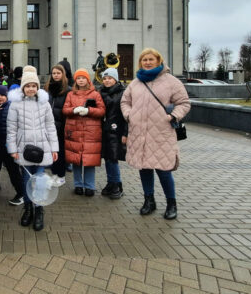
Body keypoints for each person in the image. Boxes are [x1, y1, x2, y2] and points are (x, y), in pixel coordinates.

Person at [121, 48, 190, 220]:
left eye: (151, 59)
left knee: (164, 170)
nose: (148, 62)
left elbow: (184, 103)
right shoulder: (135, 83)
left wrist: (173, 116)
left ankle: (171, 203)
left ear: (159, 60)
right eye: (144, 59)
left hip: (161, 133)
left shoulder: (171, 81)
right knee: (144, 168)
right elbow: (125, 101)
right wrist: (129, 115)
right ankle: (149, 200)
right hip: (139, 133)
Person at [7, 66, 59, 231]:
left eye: (33, 86)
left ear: (38, 87)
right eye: (28, 86)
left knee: (40, 180)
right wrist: (13, 149)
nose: (31, 89)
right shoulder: (15, 104)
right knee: (27, 180)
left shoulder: (44, 103)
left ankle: (39, 210)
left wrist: (54, 148)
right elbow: (11, 128)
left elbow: (51, 126)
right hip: (23, 148)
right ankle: (28, 209)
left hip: (43, 147)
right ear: (23, 87)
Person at [62, 69, 105, 196]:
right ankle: (78, 185)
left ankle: (90, 186)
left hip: (91, 131)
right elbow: (65, 110)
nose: (81, 80)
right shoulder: (71, 94)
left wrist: (89, 111)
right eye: (78, 78)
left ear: (88, 79)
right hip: (74, 130)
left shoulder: (95, 94)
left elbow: (102, 111)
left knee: (89, 160)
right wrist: (74, 109)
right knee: (76, 159)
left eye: (83, 78)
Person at [0, 85, 24, 206]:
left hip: (9, 146)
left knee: (13, 171)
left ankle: (21, 193)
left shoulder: (12, 107)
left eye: (2, 95)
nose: (0, 97)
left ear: (7, 96)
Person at [99, 68, 127, 199]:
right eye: (104, 78)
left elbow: (127, 115)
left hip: (117, 130)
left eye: (109, 78)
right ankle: (110, 183)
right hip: (103, 130)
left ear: (115, 79)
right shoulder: (100, 92)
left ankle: (117, 185)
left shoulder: (123, 93)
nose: (107, 81)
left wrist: (125, 133)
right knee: (107, 158)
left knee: (113, 158)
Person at [45, 64, 70, 184]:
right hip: (50, 125)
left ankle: (61, 175)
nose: (55, 75)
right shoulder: (48, 88)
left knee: (60, 152)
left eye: (58, 73)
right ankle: (54, 174)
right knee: (52, 151)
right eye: (54, 73)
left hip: (62, 125)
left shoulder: (67, 90)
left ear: (63, 74)